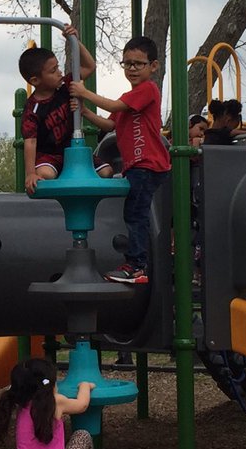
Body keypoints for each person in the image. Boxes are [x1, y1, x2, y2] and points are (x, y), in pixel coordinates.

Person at [69, 36, 171, 285]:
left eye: (138, 64)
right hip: (137, 165)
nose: (132, 69)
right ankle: (136, 263)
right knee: (134, 213)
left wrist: (84, 92)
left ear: (153, 66)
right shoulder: (130, 96)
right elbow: (109, 124)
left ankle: (137, 266)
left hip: (148, 163)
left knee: (136, 215)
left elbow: (114, 106)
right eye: (127, 63)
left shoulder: (147, 90)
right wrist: (85, 111)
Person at [19, 25, 97, 194]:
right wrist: (30, 173)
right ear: (35, 80)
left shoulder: (64, 86)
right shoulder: (33, 109)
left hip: (72, 151)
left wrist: (75, 41)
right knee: (45, 174)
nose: (59, 72)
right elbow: (30, 142)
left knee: (106, 172)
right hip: (50, 155)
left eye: (58, 67)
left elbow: (89, 66)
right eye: (53, 71)